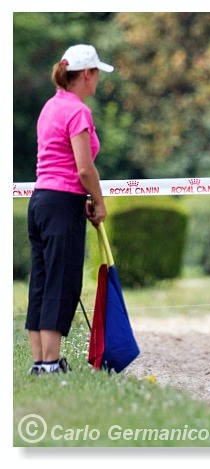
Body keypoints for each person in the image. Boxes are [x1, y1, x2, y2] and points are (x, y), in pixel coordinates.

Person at [26, 44, 113, 375]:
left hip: (40, 201)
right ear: (87, 75)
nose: (97, 82)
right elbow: (84, 168)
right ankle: (50, 363)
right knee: (61, 284)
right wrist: (99, 202)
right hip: (63, 205)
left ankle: (40, 362)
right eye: (97, 75)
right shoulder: (78, 111)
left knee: (42, 282)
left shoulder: (50, 107)